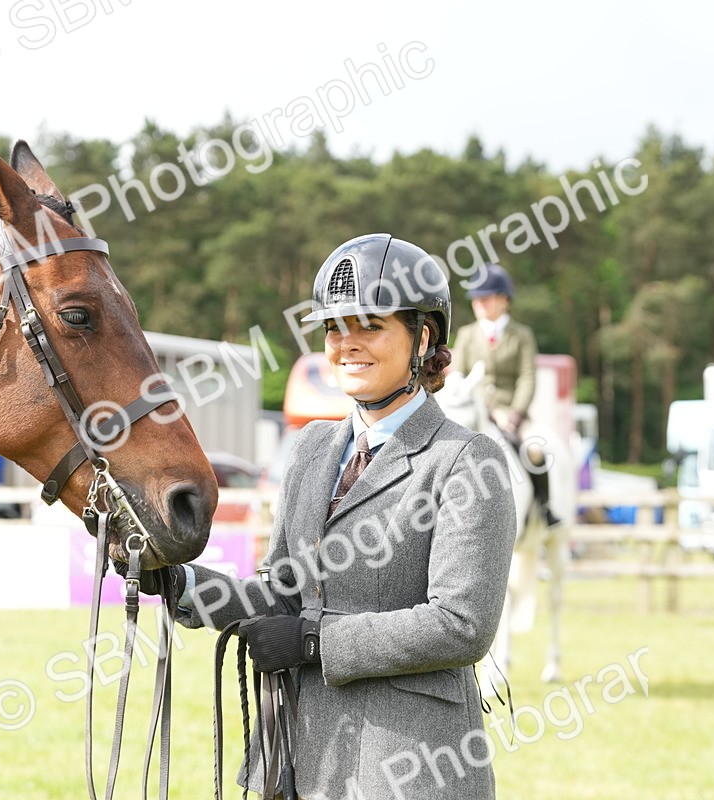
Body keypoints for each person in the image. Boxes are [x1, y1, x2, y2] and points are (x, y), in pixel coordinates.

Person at [135, 234, 516, 799]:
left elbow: (461, 624)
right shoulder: (313, 447)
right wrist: (183, 584)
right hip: (297, 756)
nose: (346, 345)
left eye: (370, 326)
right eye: (335, 328)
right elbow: (284, 595)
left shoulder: (465, 460)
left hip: (408, 766)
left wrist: (315, 643)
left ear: (423, 337)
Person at [451, 263, 561, 527]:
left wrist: (515, 413)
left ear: (503, 300)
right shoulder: (467, 335)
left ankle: (544, 507)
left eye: (485, 297)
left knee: (534, 450)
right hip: (475, 409)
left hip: (513, 412)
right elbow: (458, 376)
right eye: (476, 298)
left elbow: (527, 377)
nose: (478, 303)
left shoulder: (521, 335)